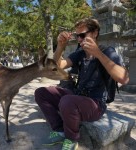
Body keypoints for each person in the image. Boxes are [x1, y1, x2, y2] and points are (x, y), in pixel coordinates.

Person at [34, 18, 129, 150]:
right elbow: (57, 65)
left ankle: (72, 139)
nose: (79, 39)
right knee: (41, 93)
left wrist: (98, 53)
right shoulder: (80, 53)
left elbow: (124, 79)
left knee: (67, 101)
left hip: (96, 103)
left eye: (82, 35)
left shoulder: (108, 51)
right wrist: (60, 46)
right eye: (77, 36)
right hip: (77, 95)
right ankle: (60, 129)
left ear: (95, 33)